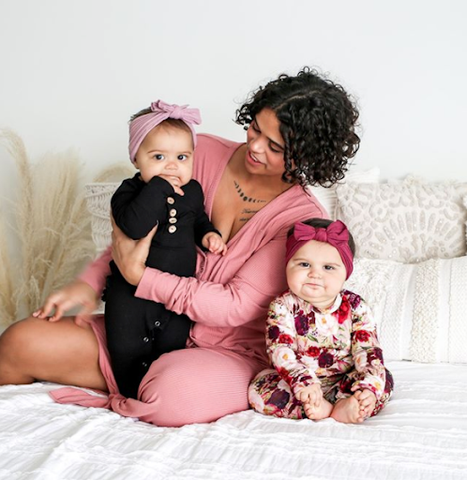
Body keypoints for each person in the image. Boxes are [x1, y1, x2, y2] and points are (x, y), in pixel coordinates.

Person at [0, 67, 361, 427]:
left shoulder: (301, 222)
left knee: (168, 394)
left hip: (226, 351)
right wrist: (89, 282)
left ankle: (149, 382)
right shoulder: (194, 152)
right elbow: (138, 230)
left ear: (307, 157)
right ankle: (136, 375)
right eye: (255, 128)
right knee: (19, 341)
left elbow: (233, 307)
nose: (254, 146)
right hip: (145, 324)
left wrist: (140, 277)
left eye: (275, 146)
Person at [100, 100, 227, 398]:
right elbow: (134, 226)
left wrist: (208, 234)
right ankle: (129, 394)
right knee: (126, 347)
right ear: (136, 160)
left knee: (170, 349)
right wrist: (158, 187)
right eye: (158, 157)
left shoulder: (193, 190)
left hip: (175, 293)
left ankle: (157, 392)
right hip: (129, 295)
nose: (172, 166)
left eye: (182, 157)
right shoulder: (128, 192)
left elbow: (197, 219)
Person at [248, 219, 394, 423]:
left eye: (328, 267)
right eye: (304, 264)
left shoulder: (356, 306)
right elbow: (281, 351)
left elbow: (367, 349)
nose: (315, 274)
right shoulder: (282, 306)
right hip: (299, 383)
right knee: (259, 389)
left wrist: (367, 386)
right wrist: (303, 382)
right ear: (287, 265)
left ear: (346, 273)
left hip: (344, 380)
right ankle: (320, 407)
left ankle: (351, 403)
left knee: (382, 379)